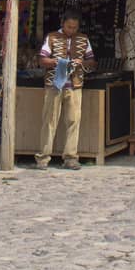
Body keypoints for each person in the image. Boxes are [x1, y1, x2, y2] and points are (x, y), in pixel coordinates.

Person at [35, 9, 95, 169]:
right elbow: (42, 60)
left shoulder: (83, 39)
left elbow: (91, 62)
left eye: (74, 27)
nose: (71, 30)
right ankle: (43, 158)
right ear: (63, 24)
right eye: (69, 27)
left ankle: (70, 158)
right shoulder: (52, 37)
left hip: (75, 85)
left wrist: (80, 62)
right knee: (49, 121)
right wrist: (56, 62)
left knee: (73, 121)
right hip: (54, 85)